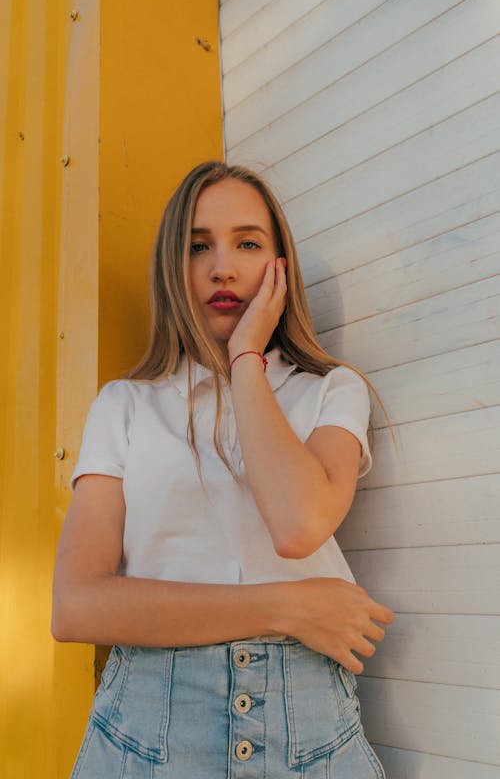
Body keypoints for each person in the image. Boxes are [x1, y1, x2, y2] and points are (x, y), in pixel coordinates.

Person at [52, 161, 394, 778]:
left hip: (307, 732)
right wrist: (286, 609)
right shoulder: (124, 406)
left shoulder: (332, 390)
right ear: (172, 268)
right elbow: (77, 606)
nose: (222, 268)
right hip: (150, 731)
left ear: (279, 265)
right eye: (198, 246)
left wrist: (245, 359)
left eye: (248, 243)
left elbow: (297, 525)